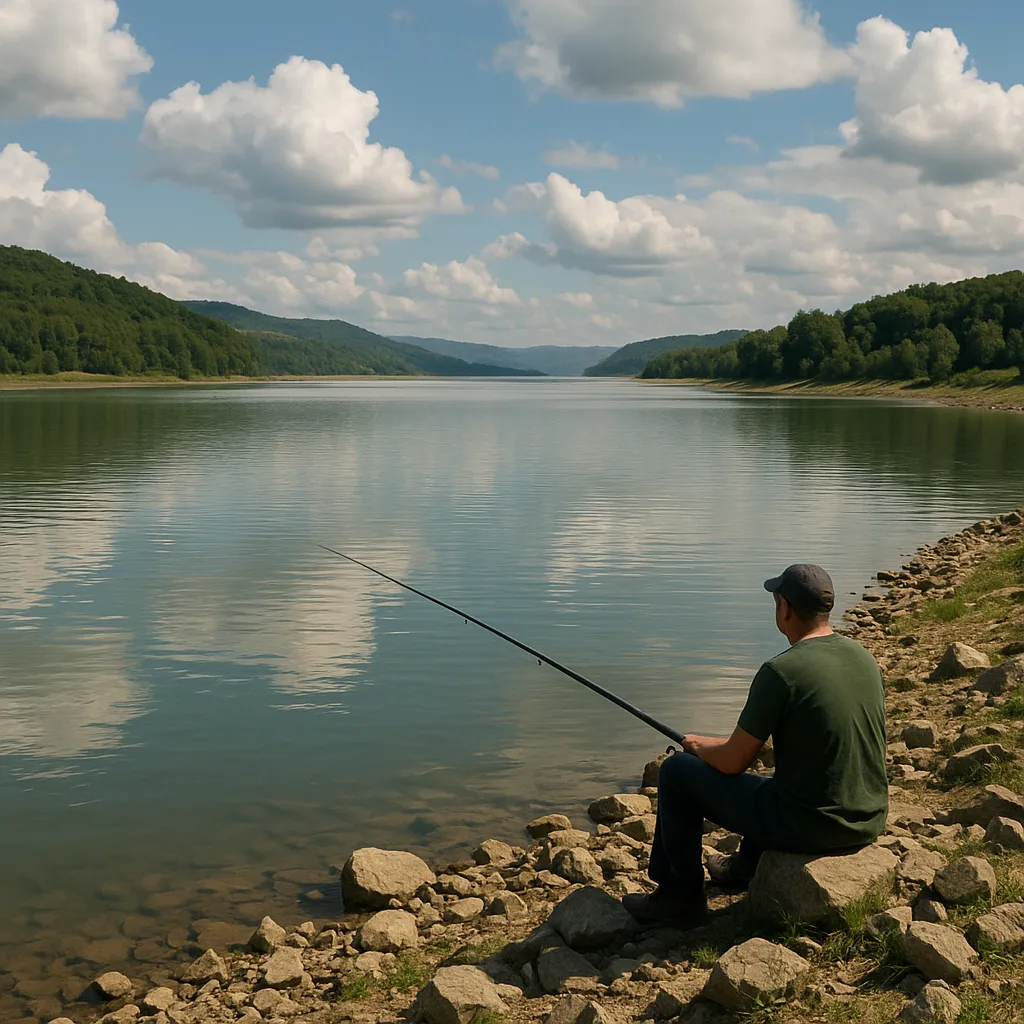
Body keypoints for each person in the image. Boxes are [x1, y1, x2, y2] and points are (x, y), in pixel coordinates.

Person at [623, 564, 888, 927]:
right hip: (868, 818)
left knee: (676, 772)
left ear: (784, 608)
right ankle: (744, 868)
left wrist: (697, 749)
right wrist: (709, 744)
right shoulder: (863, 658)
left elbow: (733, 763)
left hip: (814, 826)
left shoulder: (781, 672)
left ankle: (678, 896)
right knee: (777, 782)